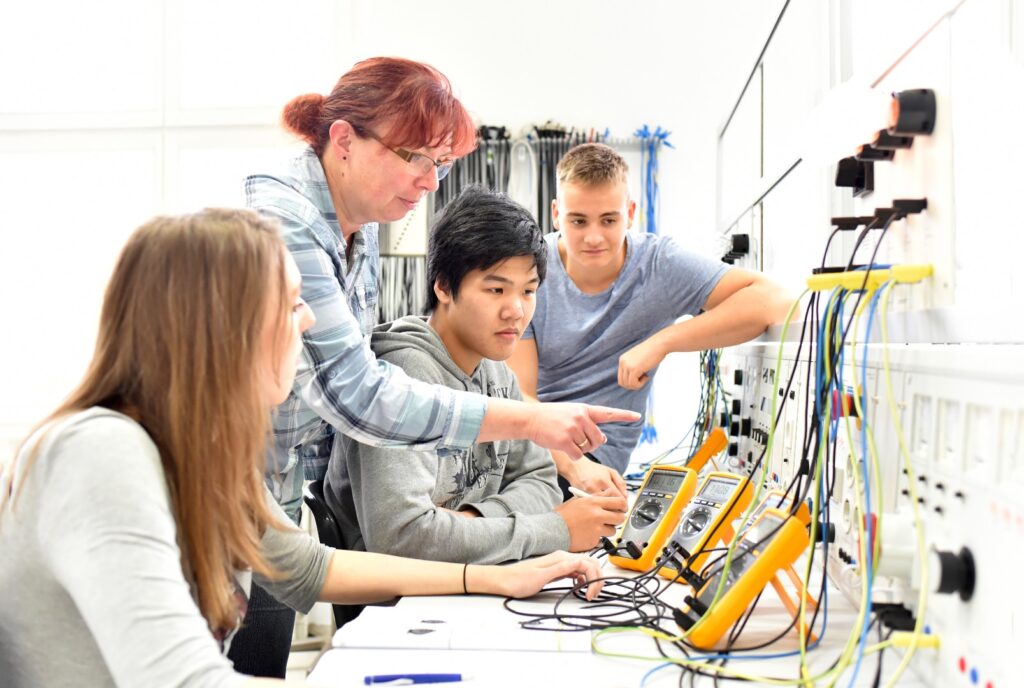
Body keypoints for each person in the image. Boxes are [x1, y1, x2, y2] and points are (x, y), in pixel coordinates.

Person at [0, 209, 604, 688]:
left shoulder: (204, 458)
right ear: (221, 324)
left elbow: (312, 568)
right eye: (291, 303)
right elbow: (183, 680)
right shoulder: (103, 452)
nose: (310, 320)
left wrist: (490, 579)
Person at [238, 58, 635, 675]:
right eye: (414, 158)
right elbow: (357, 394)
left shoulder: (360, 221)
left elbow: (309, 566)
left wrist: (486, 531)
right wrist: (539, 465)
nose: (429, 182)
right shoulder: (284, 221)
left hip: (277, 513)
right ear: (343, 141)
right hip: (238, 501)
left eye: (440, 165)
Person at [324, 187, 627, 564]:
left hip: (479, 578)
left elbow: (543, 482)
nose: (516, 311)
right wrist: (556, 529)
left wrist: (469, 522)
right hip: (402, 606)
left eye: (529, 291)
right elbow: (403, 539)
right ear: (443, 286)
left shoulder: (497, 370)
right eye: (496, 289)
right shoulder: (402, 376)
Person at [508, 143, 791, 494]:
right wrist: (571, 465)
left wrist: (663, 342)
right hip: (535, 446)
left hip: (594, 463)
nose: (593, 236)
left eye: (609, 220)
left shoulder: (659, 265)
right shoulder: (530, 272)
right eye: (578, 221)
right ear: (555, 213)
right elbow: (517, 396)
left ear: (630, 212)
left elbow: (773, 299)